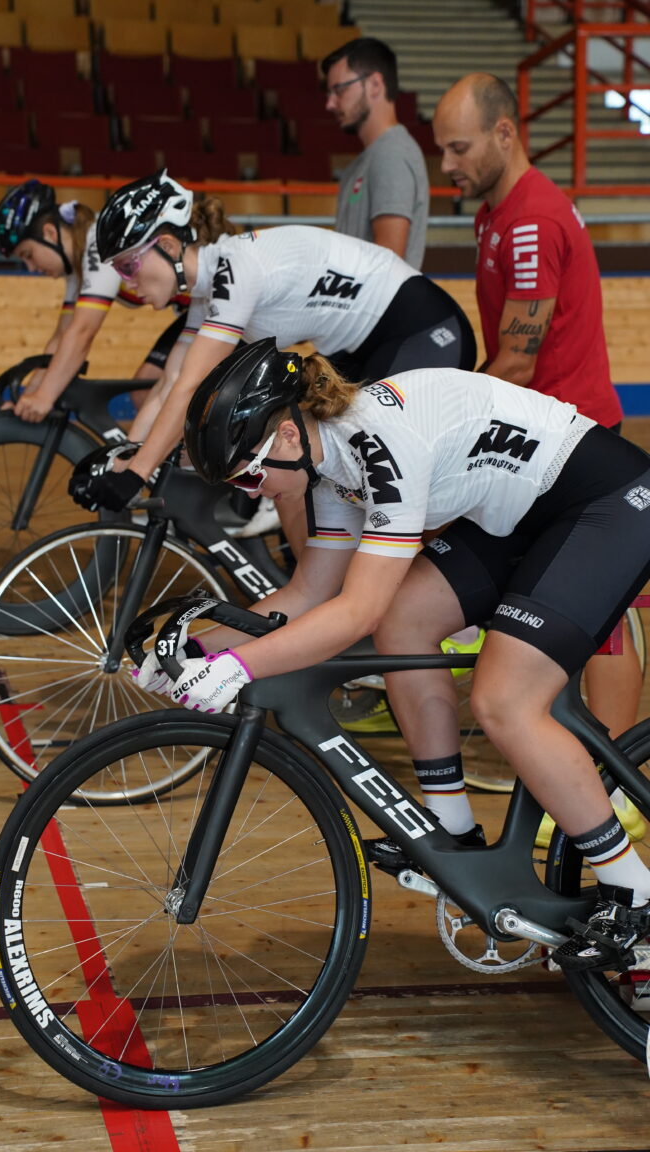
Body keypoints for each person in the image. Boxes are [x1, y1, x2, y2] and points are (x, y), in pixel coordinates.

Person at [140, 336, 650, 971]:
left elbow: (356, 610)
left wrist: (240, 667)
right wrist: (190, 646)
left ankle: (632, 889)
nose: (252, 494)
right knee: (407, 624)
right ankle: (452, 830)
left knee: (504, 701)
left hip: (602, 505)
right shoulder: (328, 466)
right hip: (522, 518)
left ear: (288, 439)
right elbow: (308, 593)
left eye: (248, 475)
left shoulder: (378, 443)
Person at [432, 72, 643, 778]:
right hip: (534, 442)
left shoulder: (529, 220)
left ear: (504, 133)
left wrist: (437, 423)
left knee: (609, 621)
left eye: (458, 148)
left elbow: (517, 363)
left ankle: (612, 779)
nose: (448, 165)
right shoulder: (500, 211)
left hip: (574, 444)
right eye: (441, 149)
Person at [69, 169, 476, 533]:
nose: (126, 282)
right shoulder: (207, 287)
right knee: (299, 461)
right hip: (364, 344)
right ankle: (307, 592)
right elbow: (171, 380)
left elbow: (189, 384)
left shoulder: (234, 268)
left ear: (170, 246)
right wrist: (126, 457)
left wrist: (138, 472)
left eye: (127, 266)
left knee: (389, 474)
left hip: (419, 328)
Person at [0, 179, 193, 422]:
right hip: (194, 311)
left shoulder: (97, 246)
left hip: (216, 305)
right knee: (145, 392)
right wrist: (29, 396)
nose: (31, 267)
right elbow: (62, 337)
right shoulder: (79, 265)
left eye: (28, 255)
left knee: (155, 392)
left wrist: (45, 396)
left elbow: (83, 332)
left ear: (50, 233)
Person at [321, 36, 429, 268]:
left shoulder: (392, 154)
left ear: (375, 85)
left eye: (339, 90)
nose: (330, 103)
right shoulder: (363, 162)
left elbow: (388, 268)